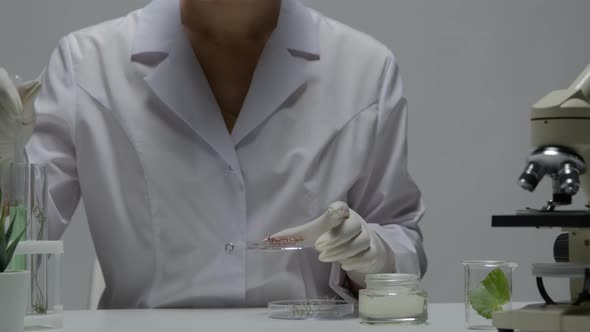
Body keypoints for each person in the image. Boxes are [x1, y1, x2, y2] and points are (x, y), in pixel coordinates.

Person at [25, 0, 426, 309]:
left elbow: (398, 230)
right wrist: (6, 163)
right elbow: (20, 239)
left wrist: (375, 259)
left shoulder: (365, 69)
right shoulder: (88, 64)